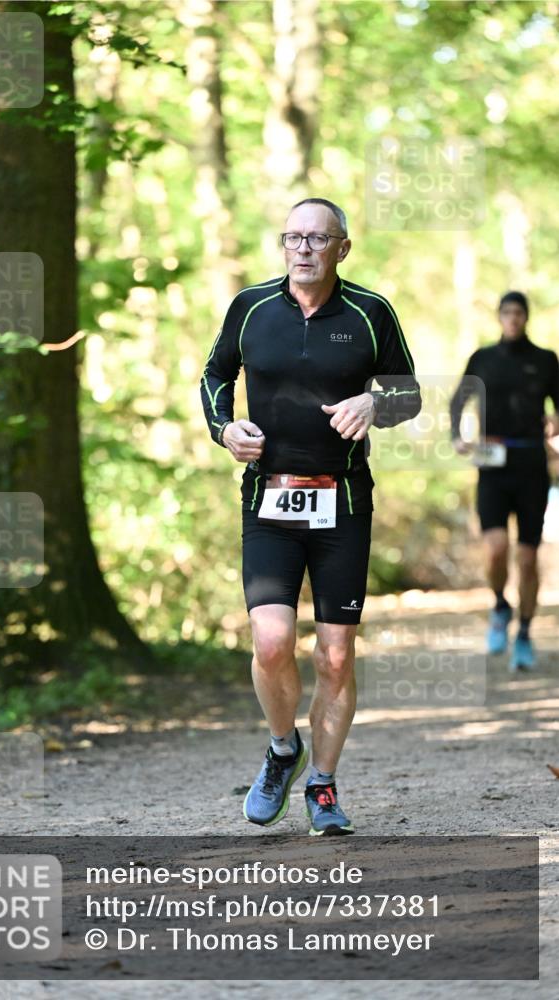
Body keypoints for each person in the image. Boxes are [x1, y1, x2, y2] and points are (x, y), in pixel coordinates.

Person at [200, 198, 420, 835]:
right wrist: (224, 428)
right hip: (268, 497)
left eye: (318, 239)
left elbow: (408, 392)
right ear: (282, 244)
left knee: (334, 656)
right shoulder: (250, 308)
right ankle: (281, 750)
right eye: (293, 237)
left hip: (343, 502)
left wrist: (374, 403)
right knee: (270, 643)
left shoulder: (370, 313)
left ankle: (322, 785)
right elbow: (215, 374)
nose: (303, 249)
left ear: (342, 248)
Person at [450, 291, 559, 670]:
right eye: (507, 313)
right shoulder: (483, 358)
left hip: (531, 464)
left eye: (519, 313)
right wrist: (457, 436)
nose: (513, 319)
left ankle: (525, 633)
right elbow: (457, 401)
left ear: (526, 317)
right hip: (491, 464)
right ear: (499, 317)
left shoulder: (546, 360)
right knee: (496, 548)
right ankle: (499, 605)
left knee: (528, 559)